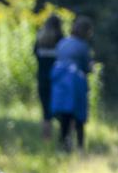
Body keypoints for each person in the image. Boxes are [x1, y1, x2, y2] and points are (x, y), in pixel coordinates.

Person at [50, 16, 93, 152]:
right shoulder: (82, 46)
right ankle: (80, 146)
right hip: (75, 81)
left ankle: (63, 144)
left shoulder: (62, 43)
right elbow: (87, 67)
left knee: (64, 115)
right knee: (79, 114)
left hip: (59, 80)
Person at [34, 15, 64, 139]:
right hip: (58, 79)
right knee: (61, 109)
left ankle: (46, 138)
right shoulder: (61, 40)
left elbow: (35, 55)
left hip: (42, 78)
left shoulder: (39, 40)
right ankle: (64, 137)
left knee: (46, 111)